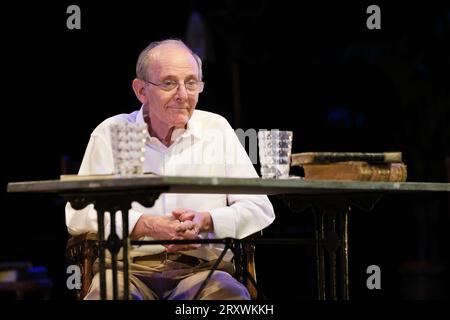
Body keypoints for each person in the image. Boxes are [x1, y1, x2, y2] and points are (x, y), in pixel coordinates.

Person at [65, 39, 275, 300]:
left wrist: (206, 221)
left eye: (191, 83)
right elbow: (78, 213)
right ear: (141, 90)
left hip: (203, 270)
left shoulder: (217, 129)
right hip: (125, 270)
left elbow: (259, 208)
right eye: (168, 83)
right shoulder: (111, 132)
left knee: (228, 295)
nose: (183, 95)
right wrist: (144, 225)